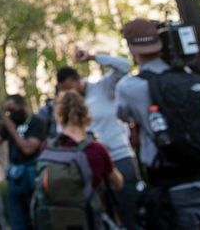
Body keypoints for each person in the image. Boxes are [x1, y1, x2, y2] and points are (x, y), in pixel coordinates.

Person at [115, 18, 200, 229]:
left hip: (172, 188)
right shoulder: (191, 76)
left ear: (132, 48)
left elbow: (123, 116)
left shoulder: (130, 87)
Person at [53, 51, 142, 229]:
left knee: (132, 214)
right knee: (105, 219)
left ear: (76, 80)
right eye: (63, 90)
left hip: (119, 158)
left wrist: (92, 57)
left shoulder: (103, 88)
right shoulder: (68, 107)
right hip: (92, 166)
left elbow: (124, 66)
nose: (67, 93)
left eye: (68, 87)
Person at [32, 90, 123, 229]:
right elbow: (117, 183)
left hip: (54, 222)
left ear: (59, 116)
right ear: (86, 114)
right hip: (88, 221)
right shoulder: (96, 149)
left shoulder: (47, 148)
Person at [0, 94, 46, 230]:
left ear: (23, 105)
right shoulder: (10, 122)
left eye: (12, 110)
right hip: (15, 178)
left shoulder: (37, 122)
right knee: (17, 221)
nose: (10, 114)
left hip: (33, 176)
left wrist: (12, 129)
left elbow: (28, 149)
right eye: (7, 111)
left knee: (37, 219)